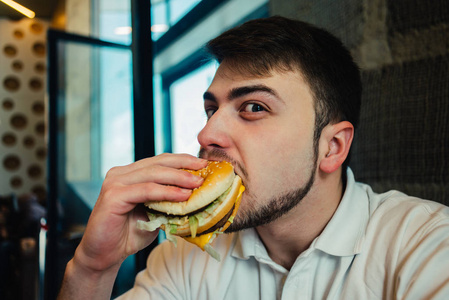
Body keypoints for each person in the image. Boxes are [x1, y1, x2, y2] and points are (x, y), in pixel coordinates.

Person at [58, 16, 449, 299]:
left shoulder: (426, 247)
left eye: (254, 108)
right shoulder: (186, 252)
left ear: (332, 147)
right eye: (212, 109)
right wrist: (93, 268)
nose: (206, 135)